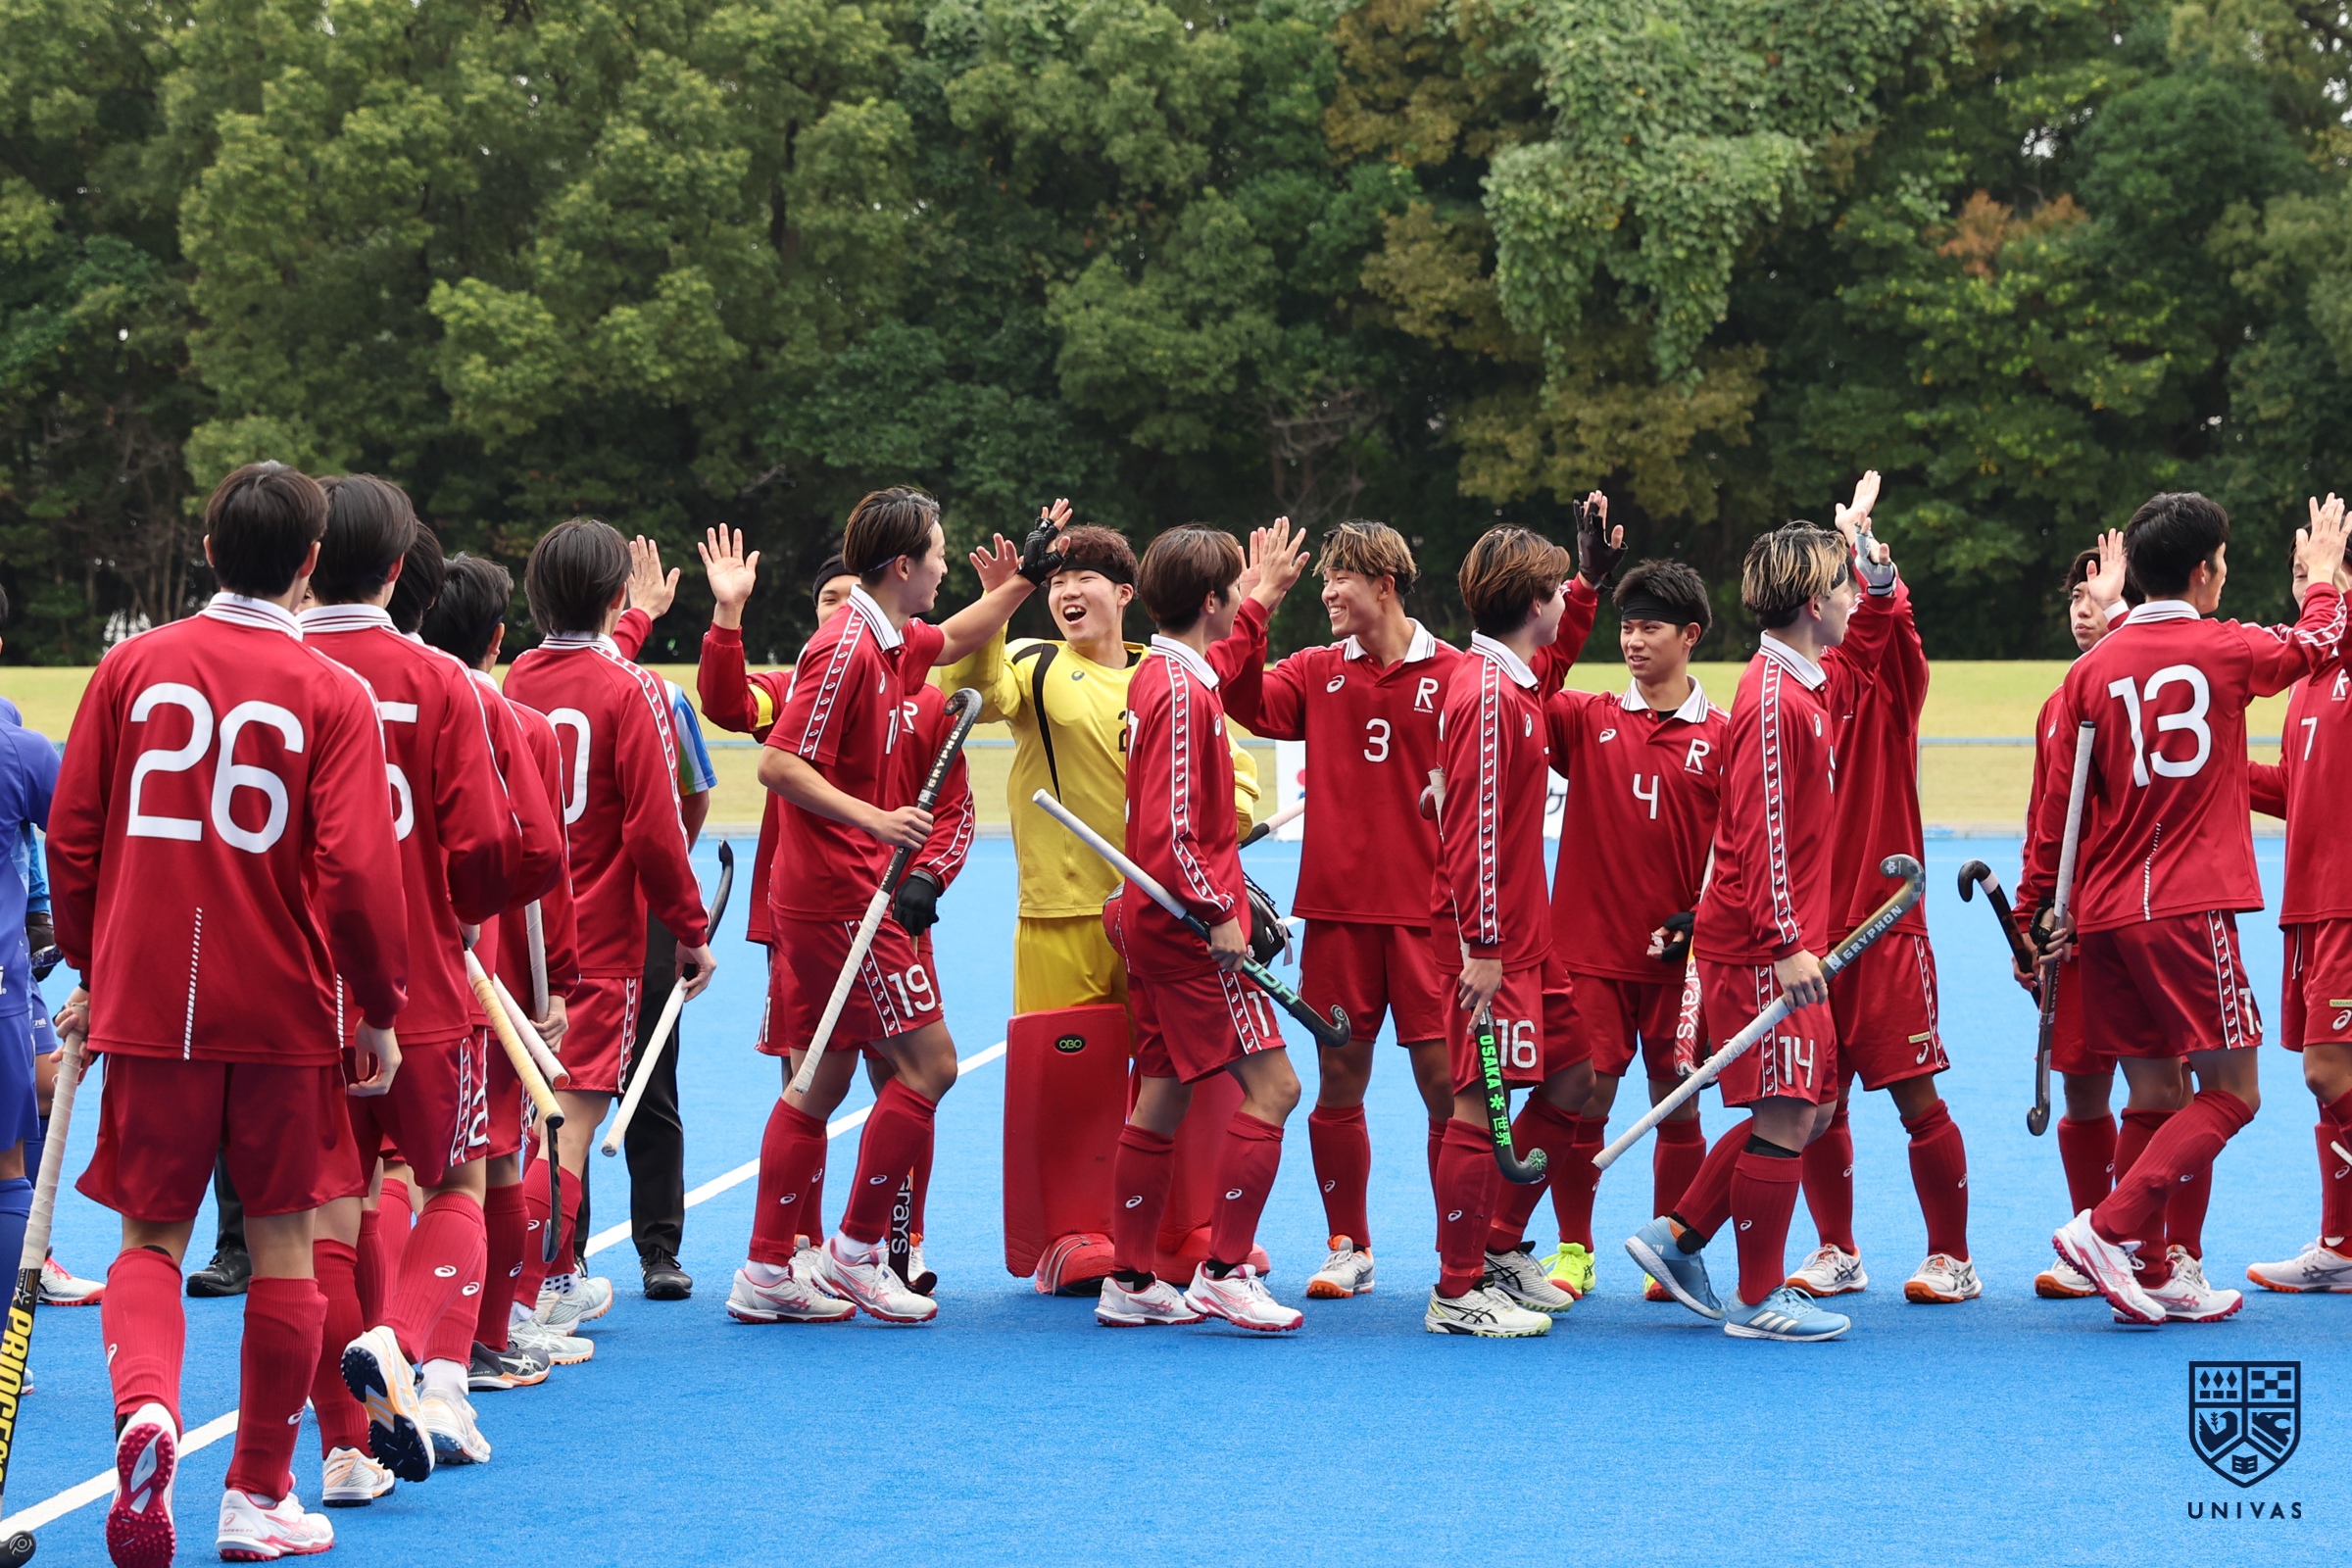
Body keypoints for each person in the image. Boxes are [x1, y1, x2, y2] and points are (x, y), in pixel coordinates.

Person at [46, 461, 411, 1563]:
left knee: (149, 1237)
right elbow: (358, 874)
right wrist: (378, 1005)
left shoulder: (129, 666)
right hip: (281, 1002)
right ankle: (256, 1492)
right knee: (286, 1241)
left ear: (208, 552)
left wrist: (92, 963)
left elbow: (74, 835)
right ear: (311, 562)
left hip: (152, 994)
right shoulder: (331, 693)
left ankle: (149, 1408)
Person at [730, 488, 1054, 1326]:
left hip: (830, 893)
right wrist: (875, 820)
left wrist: (1025, 579)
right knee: (931, 1066)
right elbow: (777, 765)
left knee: (820, 1078)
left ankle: (766, 1268)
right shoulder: (844, 645)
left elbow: (958, 636)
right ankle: (857, 1252)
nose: (945, 569)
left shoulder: (887, 638)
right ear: (904, 565)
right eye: (939, 555)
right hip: (842, 895)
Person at [937, 516, 1265, 1295]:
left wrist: (1228, 831)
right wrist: (1000, 603)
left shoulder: (1169, 672)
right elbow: (971, 694)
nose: (1066, 593)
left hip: (1164, 918)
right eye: (1056, 581)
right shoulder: (1035, 662)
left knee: (1183, 1073)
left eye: (1083, 577)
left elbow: (1234, 769)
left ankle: (1184, 1228)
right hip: (1064, 914)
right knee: (1072, 1084)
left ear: (1125, 593)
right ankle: (1072, 1232)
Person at [2043, 491, 2348, 1326]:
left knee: (2155, 1092)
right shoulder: (2224, 647)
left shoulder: (2091, 670)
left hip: (2105, 913)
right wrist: (2324, 577)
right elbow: (2317, 641)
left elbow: (2059, 810)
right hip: (2187, 905)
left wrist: (2042, 913)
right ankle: (2109, 1230)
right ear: (2205, 572)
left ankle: (2156, 1270)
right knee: (2233, 1091)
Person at [1624, 474, 1897, 1345]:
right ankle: (1757, 1296)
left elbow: (1873, 644)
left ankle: (1679, 1237)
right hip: (1759, 943)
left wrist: (1861, 547)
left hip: (1771, 935)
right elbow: (1763, 831)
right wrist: (1786, 943)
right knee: (1787, 1108)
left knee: (1802, 1106)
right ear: (1815, 604)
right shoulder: (1777, 699)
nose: (1853, 601)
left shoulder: (1801, 680)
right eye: (1844, 588)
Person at [301, 479, 523, 1488]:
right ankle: (404, 1345)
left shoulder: (278, 666)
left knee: (321, 1218)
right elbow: (488, 849)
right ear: (399, 570)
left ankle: (345, 1453)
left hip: (301, 987)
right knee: (455, 1180)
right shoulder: (440, 680)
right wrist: (464, 909)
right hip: (422, 982)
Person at [697, 543, 973, 1312]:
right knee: (837, 1072)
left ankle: (892, 1244)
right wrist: (727, 614)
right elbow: (727, 704)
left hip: (893, 912)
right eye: (831, 598)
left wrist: (929, 877)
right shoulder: (806, 683)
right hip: (823, 910)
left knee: (882, 1074)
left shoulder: (922, 694)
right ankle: (812, 1251)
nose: (844, 609)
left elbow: (953, 810)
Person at [1216, 521, 1458, 1300]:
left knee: (1445, 1085)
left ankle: (1462, 1253)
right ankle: (1349, 1245)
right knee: (1339, 1078)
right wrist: (1258, 604)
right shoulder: (1316, 669)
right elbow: (1240, 698)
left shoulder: (1456, 674)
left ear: (1384, 584)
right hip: (1339, 916)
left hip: (1429, 919)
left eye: (1339, 578)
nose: (1326, 592)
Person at [502, 519, 718, 1339]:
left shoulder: (519, 676)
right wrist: (690, 928)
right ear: (617, 593)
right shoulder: (635, 691)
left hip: (521, 934)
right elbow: (655, 832)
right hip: (597, 941)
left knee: (525, 1118)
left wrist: (636, 620)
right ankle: (526, 1295)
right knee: (568, 1126)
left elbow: (585, 671)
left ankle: (542, 1278)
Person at [1094, 519, 1311, 1332]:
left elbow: (1225, 657)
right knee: (1276, 1088)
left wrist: (1261, 599)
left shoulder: (1165, 672)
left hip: (1151, 920)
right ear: (1212, 601)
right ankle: (1223, 1271)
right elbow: (1174, 832)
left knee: (1160, 1095)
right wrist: (1221, 913)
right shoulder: (1184, 693)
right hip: (1188, 930)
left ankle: (1130, 1279)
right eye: (1234, 596)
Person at [1417, 513, 1609, 1335]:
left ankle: (1496, 1244)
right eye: (1557, 591)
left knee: (1574, 1078)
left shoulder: (1513, 680)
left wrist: (1588, 584)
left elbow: (1553, 660)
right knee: (1476, 1106)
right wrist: (1486, 947)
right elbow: (1476, 831)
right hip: (1488, 940)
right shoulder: (1490, 694)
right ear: (1535, 604)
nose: (1562, 603)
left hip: (1526, 936)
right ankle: (1457, 1292)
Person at [1788, 512, 1978, 1306]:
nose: (1848, 606)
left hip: (1884, 926)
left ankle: (1952, 1256)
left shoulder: (1885, 687)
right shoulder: (1784, 698)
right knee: (1816, 1102)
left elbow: (1892, 622)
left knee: (1914, 1095)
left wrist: (1875, 568)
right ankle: (1838, 1250)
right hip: (1808, 937)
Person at [416, 551, 588, 1380]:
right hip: (492, 968)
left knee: (393, 1167)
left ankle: (406, 1330)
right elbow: (544, 867)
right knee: (494, 1153)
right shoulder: (519, 724)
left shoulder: (390, 698)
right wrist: (561, 978)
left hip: (394, 963)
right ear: (496, 638)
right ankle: (483, 1333)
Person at [1536, 560, 1725, 1299]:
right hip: (1588, 954)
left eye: (1650, 628)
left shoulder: (1727, 736)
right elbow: (1526, 686)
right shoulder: (1584, 717)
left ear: (1690, 635)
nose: (1634, 641)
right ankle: (1574, 1250)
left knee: (1678, 1102)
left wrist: (1705, 917)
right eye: (1627, 627)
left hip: (1682, 962)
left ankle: (1670, 1249)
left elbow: (1741, 850)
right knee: (1585, 1100)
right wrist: (1580, 592)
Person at [2011, 539, 2194, 1300]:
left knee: (2169, 1084)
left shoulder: (2157, 686)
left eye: (2099, 595)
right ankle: (2095, 1241)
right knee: (2083, 1089)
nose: (2082, 609)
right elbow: (2045, 821)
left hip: (2149, 912)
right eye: (2076, 597)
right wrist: (2029, 917)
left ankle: (2174, 1250)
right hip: (2074, 928)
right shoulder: (2060, 703)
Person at [606, 537, 717, 1299]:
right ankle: (565, 1256)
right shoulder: (542, 689)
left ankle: (657, 1247)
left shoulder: (664, 697)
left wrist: (669, 893)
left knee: (648, 1076)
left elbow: (691, 800)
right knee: (568, 1084)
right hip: (594, 910)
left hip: (630, 908)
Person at [2246, 532, 2352, 1293]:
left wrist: (2327, 585)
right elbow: (2293, 788)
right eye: (2299, 567)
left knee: (2327, 1069)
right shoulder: (2308, 679)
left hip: (2346, 901)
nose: (2306, 576)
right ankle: (2340, 1247)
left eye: (2320, 564)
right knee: (2329, 1075)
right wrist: (2217, 765)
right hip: (2310, 901)